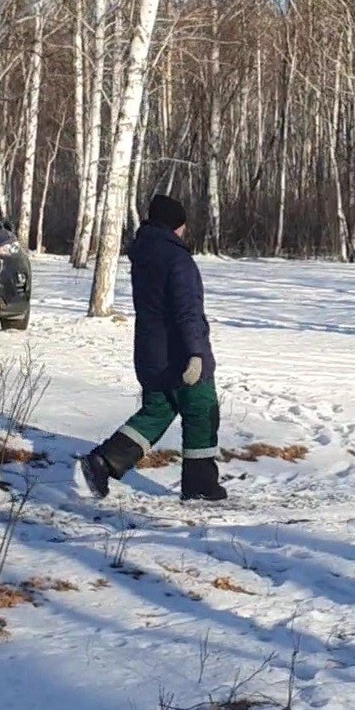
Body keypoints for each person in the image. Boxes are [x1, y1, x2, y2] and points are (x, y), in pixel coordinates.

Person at [79, 194, 226, 502]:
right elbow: (187, 311)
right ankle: (200, 486)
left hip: (150, 354)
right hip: (179, 355)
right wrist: (197, 353)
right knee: (201, 409)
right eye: (183, 226)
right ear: (176, 226)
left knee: (157, 412)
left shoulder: (144, 255)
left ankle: (103, 462)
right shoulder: (177, 259)